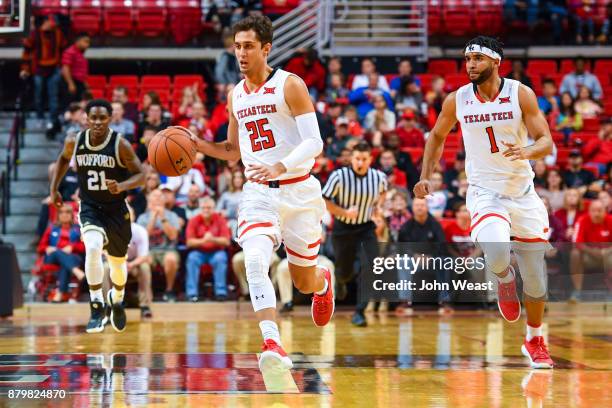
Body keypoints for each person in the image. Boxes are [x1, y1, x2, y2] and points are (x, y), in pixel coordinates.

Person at [181, 15, 333, 373]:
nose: (241, 53)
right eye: (237, 46)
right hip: (258, 193)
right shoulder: (235, 95)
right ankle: (272, 341)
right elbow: (233, 150)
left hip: (298, 191)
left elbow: (315, 142)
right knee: (254, 259)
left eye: (249, 46)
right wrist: (197, 144)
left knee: (302, 280)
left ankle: (322, 283)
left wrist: (281, 166)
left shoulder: (290, 85)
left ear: (266, 48)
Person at [414, 36, 555, 368]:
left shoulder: (521, 93)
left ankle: (534, 338)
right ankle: (504, 278)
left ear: (495, 62)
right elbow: (436, 136)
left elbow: (546, 141)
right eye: (467, 59)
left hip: (522, 193)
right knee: (495, 249)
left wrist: (528, 151)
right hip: (484, 190)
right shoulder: (457, 100)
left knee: (535, 276)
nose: (471, 65)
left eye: (477, 58)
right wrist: (425, 175)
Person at [49, 99, 146, 333]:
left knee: (117, 265)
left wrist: (121, 186)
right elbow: (63, 159)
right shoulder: (75, 140)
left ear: (110, 119)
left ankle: (117, 298)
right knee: (92, 247)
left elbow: (141, 176)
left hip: (116, 210)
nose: (98, 122)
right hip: (90, 207)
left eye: (103, 118)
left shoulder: (120, 144)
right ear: (86, 118)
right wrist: (54, 188)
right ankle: (96, 304)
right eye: (93, 118)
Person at [322, 142, 387, 327]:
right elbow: (324, 200)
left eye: (364, 159)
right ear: (351, 158)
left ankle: (360, 312)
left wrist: (378, 208)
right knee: (344, 270)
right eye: (357, 158)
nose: (360, 162)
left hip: (366, 227)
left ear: (370, 160)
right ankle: (341, 281)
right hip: (343, 227)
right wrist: (343, 212)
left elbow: (383, 193)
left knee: (372, 266)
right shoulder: (339, 176)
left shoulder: (378, 177)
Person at [20, 15, 66, 133]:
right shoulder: (34, 34)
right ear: (44, 23)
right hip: (38, 69)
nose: (52, 24)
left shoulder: (58, 33)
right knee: (38, 95)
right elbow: (26, 51)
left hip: (54, 68)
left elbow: (63, 49)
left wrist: (61, 66)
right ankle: (40, 118)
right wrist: (25, 68)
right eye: (50, 22)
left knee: (53, 96)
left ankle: (52, 120)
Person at [136, 189, 181, 302]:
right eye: (154, 196)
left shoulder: (172, 216)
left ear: (164, 200)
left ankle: (169, 290)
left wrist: (162, 217)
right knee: (144, 262)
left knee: (171, 259)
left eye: (160, 196)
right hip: (148, 250)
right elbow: (143, 237)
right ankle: (147, 292)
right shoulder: (142, 217)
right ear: (149, 199)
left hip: (168, 249)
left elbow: (173, 236)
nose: (157, 198)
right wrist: (153, 217)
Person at [185, 197, 231, 301]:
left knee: (220, 258)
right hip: (199, 252)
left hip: (216, 251)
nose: (206, 210)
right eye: (204, 208)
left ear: (214, 209)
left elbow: (226, 241)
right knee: (192, 258)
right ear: (200, 209)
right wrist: (203, 241)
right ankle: (192, 294)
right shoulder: (194, 220)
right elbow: (189, 242)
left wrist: (213, 239)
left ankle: (221, 292)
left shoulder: (220, 220)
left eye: (209, 208)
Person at [37, 203, 85, 303]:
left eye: (67, 212)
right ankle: (76, 271)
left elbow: (84, 247)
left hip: (72, 257)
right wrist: (48, 248)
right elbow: (40, 247)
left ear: (72, 214)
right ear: (58, 215)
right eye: (61, 212)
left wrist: (72, 247)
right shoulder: (51, 229)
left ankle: (60, 293)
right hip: (52, 257)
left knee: (65, 264)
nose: (64, 214)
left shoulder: (78, 229)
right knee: (57, 252)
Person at [569, 199, 612, 302]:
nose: (596, 213)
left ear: (605, 211)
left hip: (608, 256)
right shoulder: (582, 220)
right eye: (593, 210)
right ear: (589, 211)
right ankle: (577, 292)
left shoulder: (610, 220)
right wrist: (593, 251)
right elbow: (576, 243)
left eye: (599, 210)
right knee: (575, 254)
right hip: (589, 257)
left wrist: (607, 251)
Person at [126, 205, 153, 319]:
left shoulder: (140, 231)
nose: (126, 217)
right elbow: (105, 252)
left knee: (145, 267)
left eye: (129, 214)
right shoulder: (111, 229)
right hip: (115, 263)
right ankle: (107, 306)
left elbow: (144, 256)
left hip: (135, 262)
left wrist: (131, 264)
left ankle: (145, 306)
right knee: (106, 268)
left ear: (133, 216)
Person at [61, 33, 91, 108]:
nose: (88, 44)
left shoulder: (80, 53)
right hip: (72, 82)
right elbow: (65, 68)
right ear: (78, 41)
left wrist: (84, 82)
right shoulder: (70, 52)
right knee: (70, 105)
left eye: (88, 42)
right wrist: (70, 83)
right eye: (85, 42)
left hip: (79, 83)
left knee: (79, 104)